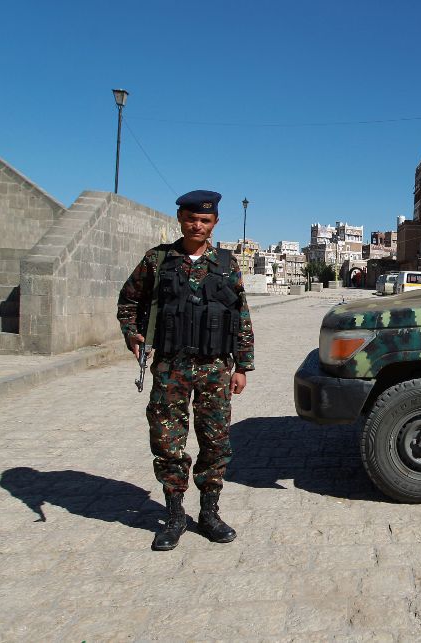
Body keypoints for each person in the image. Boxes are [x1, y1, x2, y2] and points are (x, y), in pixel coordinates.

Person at [117, 190, 254, 551]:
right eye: (191, 218)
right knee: (167, 443)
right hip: (170, 368)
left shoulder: (226, 264)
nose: (198, 225)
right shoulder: (158, 261)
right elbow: (129, 300)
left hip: (215, 369)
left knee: (216, 442)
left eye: (205, 220)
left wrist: (244, 366)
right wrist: (133, 336)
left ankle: (209, 513)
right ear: (180, 218)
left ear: (214, 223)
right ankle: (175, 515)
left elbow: (241, 316)